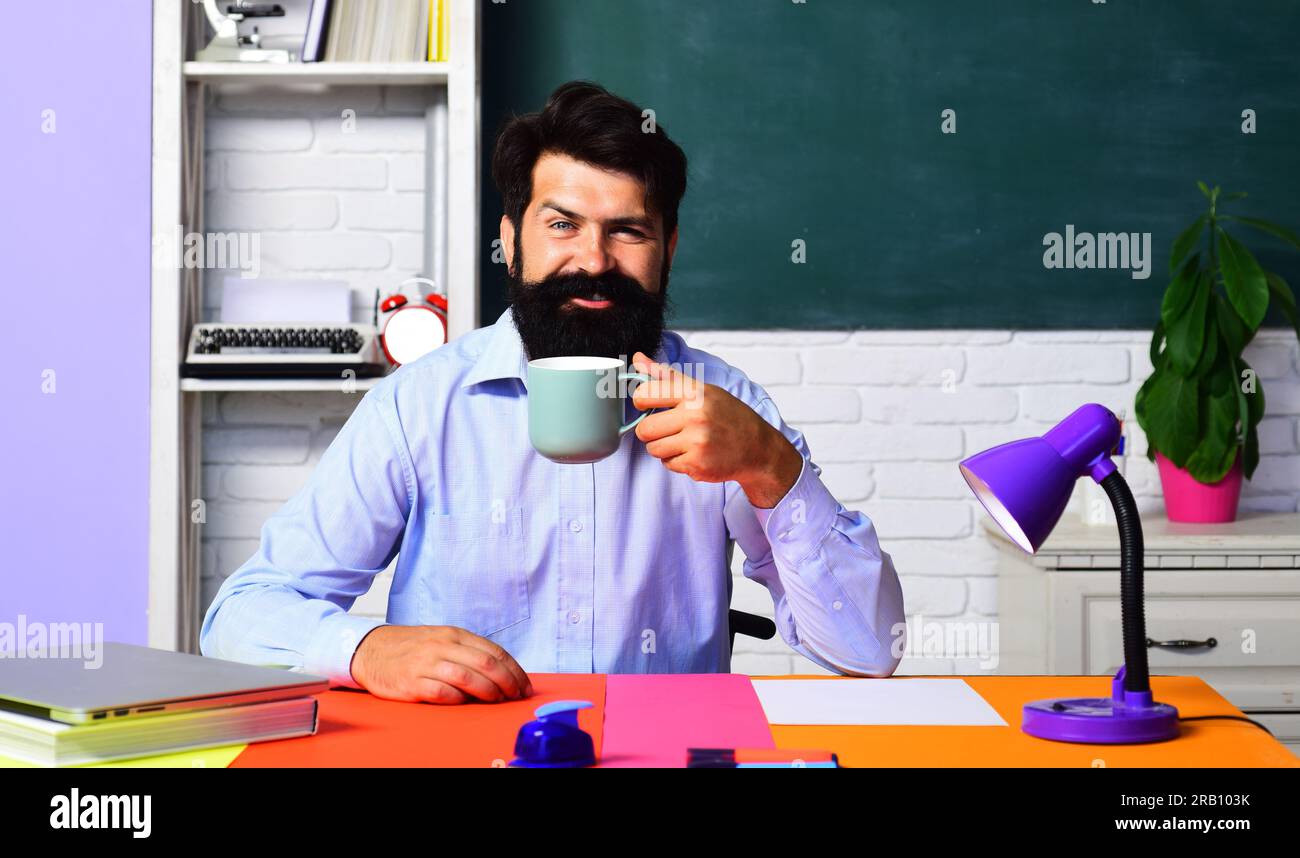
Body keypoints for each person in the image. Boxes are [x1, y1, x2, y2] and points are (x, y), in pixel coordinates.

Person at [200, 81, 905, 704]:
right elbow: (241, 614)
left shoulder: (723, 406)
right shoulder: (419, 406)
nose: (594, 261)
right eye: (562, 225)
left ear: (670, 247)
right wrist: (367, 649)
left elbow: (870, 654)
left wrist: (773, 469)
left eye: (628, 231)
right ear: (511, 240)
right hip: (463, 755)